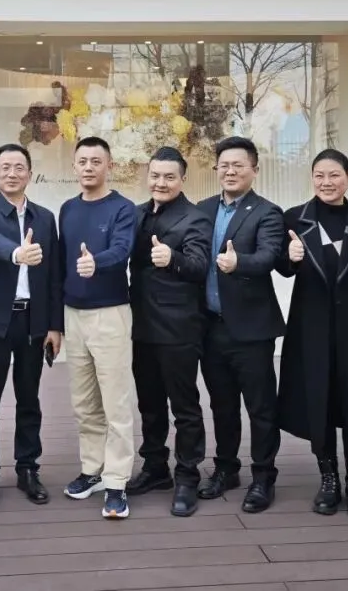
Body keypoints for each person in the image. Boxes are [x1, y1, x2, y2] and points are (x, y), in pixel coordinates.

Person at [276, 149, 348, 519]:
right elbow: (282, 267)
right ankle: (328, 478)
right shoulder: (294, 219)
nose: (326, 182)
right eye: (319, 175)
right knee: (319, 401)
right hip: (312, 329)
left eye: (334, 175)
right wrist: (291, 256)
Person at [0, 143, 63, 515]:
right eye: (5, 167)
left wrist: (55, 325)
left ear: (30, 174)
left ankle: (28, 468)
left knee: (29, 399)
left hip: (32, 321)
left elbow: (53, 276)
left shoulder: (45, 218)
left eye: (19, 167)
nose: (12, 173)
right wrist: (17, 253)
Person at [198, 136, 285, 513]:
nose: (230, 171)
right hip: (210, 326)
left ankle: (263, 476)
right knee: (222, 405)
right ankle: (226, 469)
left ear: (254, 170)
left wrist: (239, 263)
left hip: (251, 329)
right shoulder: (202, 209)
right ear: (216, 169)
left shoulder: (267, 212)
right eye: (224, 165)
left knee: (261, 408)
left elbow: (269, 256)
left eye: (238, 165)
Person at [126, 147, 211, 518]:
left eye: (169, 177)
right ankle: (155, 467)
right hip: (141, 325)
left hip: (179, 327)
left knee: (184, 406)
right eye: (155, 175)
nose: (161, 183)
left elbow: (200, 265)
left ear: (182, 179)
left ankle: (188, 476)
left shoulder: (196, 217)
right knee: (149, 402)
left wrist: (172, 258)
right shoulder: (136, 213)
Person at [58, 136, 137, 519]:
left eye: (96, 161)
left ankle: (117, 481)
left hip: (110, 314)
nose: (88, 167)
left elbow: (122, 249)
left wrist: (97, 262)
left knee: (116, 402)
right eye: (83, 161)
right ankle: (93, 470)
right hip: (73, 314)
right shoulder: (68, 209)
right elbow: (60, 264)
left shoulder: (123, 208)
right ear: (75, 166)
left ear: (110, 166)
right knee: (84, 402)